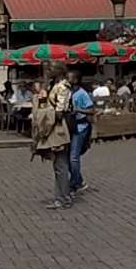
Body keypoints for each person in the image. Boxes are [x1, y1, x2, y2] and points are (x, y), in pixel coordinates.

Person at [32, 66, 74, 209]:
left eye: (51, 68)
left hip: (59, 129)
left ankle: (63, 198)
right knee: (58, 165)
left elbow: (60, 112)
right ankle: (60, 196)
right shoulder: (53, 86)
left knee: (61, 165)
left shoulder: (62, 87)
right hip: (55, 128)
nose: (48, 70)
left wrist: (46, 112)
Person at [67, 69, 94, 196]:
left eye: (70, 77)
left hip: (81, 127)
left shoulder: (82, 93)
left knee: (73, 157)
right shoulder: (68, 91)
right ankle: (79, 179)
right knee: (67, 157)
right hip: (70, 126)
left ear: (76, 79)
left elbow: (91, 110)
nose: (68, 79)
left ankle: (74, 184)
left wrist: (76, 109)